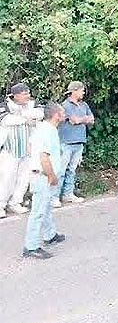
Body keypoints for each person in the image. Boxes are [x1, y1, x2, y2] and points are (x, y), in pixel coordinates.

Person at [22, 102, 66, 259]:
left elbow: (30, 147)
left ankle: (50, 234)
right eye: (62, 112)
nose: (64, 114)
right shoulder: (48, 131)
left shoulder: (42, 128)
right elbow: (43, 156)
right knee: (38, 211)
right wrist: (51, 175)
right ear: (56, 115)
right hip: (42, 175)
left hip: (39, 173)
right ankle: (31, 246)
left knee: (45, 206)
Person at [0, 83, 43, 218]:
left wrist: (25, 115)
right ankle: (1, 205)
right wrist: (25, 119)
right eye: (24, 94)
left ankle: (15, 202)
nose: (28, 96)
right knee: (7, 179)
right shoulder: (5, 105)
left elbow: (41, 113)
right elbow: (6, 120)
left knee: (24, 178)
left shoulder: (31, 104)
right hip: (10, 150)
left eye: (28, 93)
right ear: (16, 95)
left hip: (27, 150)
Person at [53, 81, 94, 207]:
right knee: (60, 170)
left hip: (79, 141)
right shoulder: (64, 106)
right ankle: (54, 197)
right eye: (81, 90)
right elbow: (72, 120)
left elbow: (91, 119)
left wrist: (79, 120)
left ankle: (68, 194)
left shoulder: (84, 105)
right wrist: (83, 119)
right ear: (74, 91)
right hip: (66, 142)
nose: (83, 92)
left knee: (72, 170)